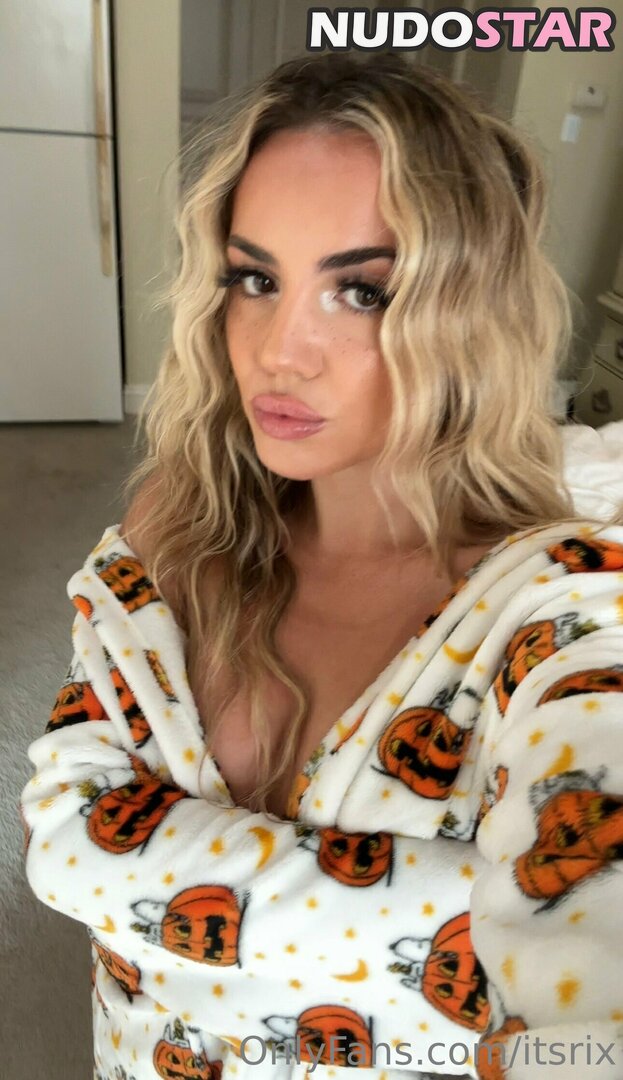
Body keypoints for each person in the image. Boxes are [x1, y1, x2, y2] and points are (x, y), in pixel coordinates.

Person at [19, 52, 623, 1080]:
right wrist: (454, 898)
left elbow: (587, 967)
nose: (279, 350)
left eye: (361, 291)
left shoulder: (563, 606)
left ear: (470, 315)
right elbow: (55, 825)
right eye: (254, 279)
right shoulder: (175, 528)